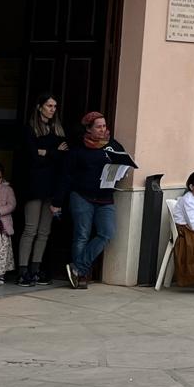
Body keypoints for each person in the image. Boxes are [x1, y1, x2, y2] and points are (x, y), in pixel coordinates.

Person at [56, 111, 131, 290]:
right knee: (82, 235)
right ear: (88, 129)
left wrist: (123, 170)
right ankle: (80, 276)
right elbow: (66, 176)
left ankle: (78, 267)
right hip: (81, 195)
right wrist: (57, 201)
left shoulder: (112, 145)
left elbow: (123, 161)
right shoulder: (78, 148)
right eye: (98, 126)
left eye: (104, 126)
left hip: (105, 197)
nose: (103, 129)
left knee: (107, 232)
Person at [15, 95, 65, 286]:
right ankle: (22, 271)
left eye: (54, 106)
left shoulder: (57, 129)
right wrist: (53, 153)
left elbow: (63, 155)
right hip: (34, 185)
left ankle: (35, 269)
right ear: (39, 107)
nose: (52, 109)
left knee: (44, 231)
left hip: (51, 186)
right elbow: (31, 157)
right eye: (49, 105)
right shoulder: (29, 129)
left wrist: (46, 152)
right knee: (30, 229)